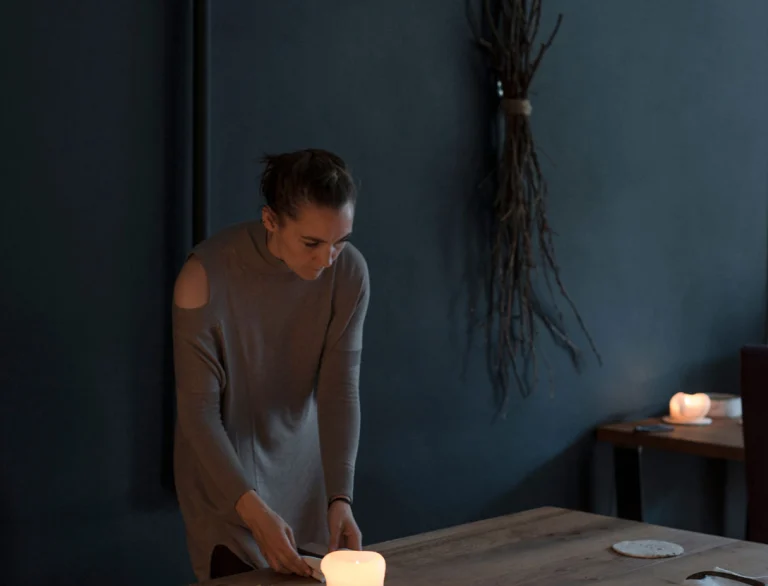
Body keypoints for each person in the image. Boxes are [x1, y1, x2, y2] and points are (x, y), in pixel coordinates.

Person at [171, 148, 370, 582]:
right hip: (225, 482)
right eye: (312, 243)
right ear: (270, 221)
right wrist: (252, 511)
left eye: (340, 242)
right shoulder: (202, 278)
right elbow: (198, 414)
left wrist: (340, 497)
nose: (327, 260)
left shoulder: (348, 273)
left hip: (302, 475)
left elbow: (340, 389)